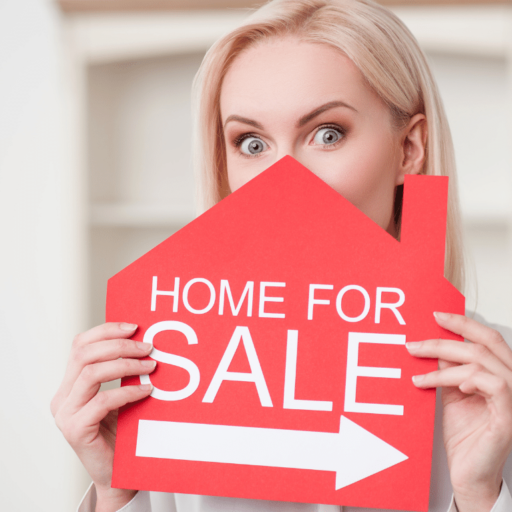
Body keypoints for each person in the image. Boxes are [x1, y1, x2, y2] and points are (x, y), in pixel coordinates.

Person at [50, 0, 512, 511]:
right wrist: (119, 493)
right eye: (251, 143)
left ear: (409, 148)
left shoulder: (491, 384)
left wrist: (479, 495)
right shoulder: (171, 371)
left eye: (327, 134)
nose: (284, 181)